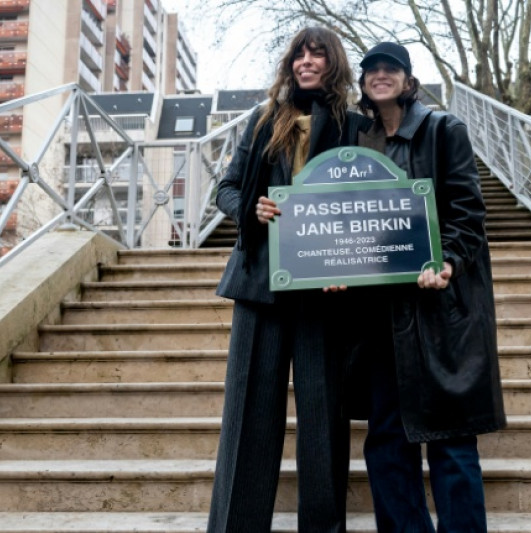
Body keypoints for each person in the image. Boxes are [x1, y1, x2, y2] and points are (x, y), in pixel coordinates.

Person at [207, 27, 368, 533]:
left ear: (332, 63)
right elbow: (226, 188)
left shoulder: (354, 126)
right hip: (259, 283)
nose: (306, 60)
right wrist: (250, 209)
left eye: (317, 53)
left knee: (323, 421)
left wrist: (351, 267)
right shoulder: (261, 119)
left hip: (323, 289)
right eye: (299, 53)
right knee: (249, 417)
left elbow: (366, 202)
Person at [348, 42, 507, 532]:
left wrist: (449, 264)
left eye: (389, 68)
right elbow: (346, 218)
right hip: (378, 309)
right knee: (387, 438)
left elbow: (468, 212)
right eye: (371, 69)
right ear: (363, 82)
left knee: (451, 437)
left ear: (408, 78)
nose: (380, 75)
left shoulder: (443, 129)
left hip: (438, 307)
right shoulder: (358, 142)